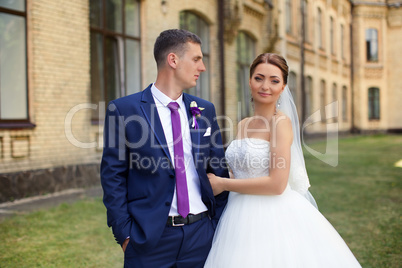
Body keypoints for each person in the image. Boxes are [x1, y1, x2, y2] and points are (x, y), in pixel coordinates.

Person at [204, 53, 361, 267]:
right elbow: (243, 169)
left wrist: (223, 184)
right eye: (259, 78)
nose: (265, 86)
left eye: (274, 80)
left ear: (283, 87)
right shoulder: (243, 124)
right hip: (237, 213)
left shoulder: (280, 124)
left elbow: (277, 184)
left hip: (270, 214)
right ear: (249, 81)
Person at [100, 29, 229, 267]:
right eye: (196, 59)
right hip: (150, 240)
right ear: (173, 60)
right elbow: (112, 176)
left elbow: (218, 169)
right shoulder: (124, 110)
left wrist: (216, 223)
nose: (203, 68)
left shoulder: (204, 110)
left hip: (202, 236)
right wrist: (125, 234)